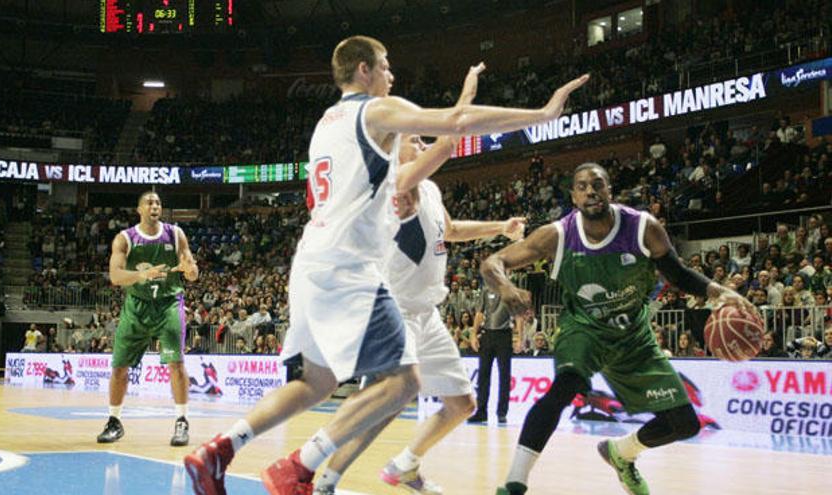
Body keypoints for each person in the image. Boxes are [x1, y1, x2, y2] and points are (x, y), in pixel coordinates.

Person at [184, 34, 588, 495]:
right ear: (363, 70)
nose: (392, 74)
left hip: (310, 260)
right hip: (348, 265)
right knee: (402, 383)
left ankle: (218, 450)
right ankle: (300, 468)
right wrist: (542, 114)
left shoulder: (325, 123)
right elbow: (455, 124)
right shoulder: (374, 111)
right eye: (386, 65)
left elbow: (439, 174)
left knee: (314, 382)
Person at [482, 163, 756, 495]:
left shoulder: (643, 228)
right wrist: (507, 288)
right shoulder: (558, 235)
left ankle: (621, 453)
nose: (590, 191)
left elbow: (677, 273)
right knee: (566, 386)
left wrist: (719, 291)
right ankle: (515, 482)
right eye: (582, 186)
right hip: (583, 329)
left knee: (685, 424)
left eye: (597, 184)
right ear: (573, 197)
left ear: (610, 190)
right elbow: (492, 262)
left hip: (633, 337)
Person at [314, 130, 526, 493]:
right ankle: (324, 482)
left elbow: (452, 229)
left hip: (427, 313)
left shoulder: (430, 189)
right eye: (417, 141)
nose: (424, 146)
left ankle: (404, 465)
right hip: (393, 314)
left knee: (462, 404)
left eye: (427, 143)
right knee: (381, 407)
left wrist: (500, 228)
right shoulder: (386, 189)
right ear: (395, 151)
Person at [96, 191, 199, 447]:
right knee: (119, 366)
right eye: (149, 203)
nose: (154, 206)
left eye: (158, 203)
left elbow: (193, 273)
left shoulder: (175, 234)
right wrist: (144, 275)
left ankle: (181, 421)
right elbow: (116, 277)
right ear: (139, 209)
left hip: (168, 305)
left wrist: (190, 270)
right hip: (137, 307)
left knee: (176, 363)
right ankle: (114, 421)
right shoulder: (125, 239)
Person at [468, 285, 522, 424]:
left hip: (504, 335)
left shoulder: (511, 291)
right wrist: (474, 334)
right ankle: (481, 412)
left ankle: (502, 412)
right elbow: (480, 313)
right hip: (487, 334)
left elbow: (518, 316)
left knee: (504, 375)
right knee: (483, 374)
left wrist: (519, 337)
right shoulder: (486, 289)